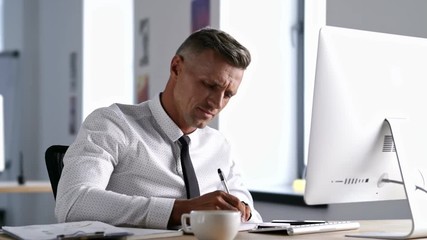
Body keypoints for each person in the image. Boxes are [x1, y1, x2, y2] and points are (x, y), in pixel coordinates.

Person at [55, 27, 263, 229]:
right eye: (209, 85)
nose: (217, 103)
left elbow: (251, 214)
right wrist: (178, 210)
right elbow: (72, 202)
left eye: (228, 95)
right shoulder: (113, 124)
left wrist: (242, 209)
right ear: (176, 68)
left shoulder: (218, 145)